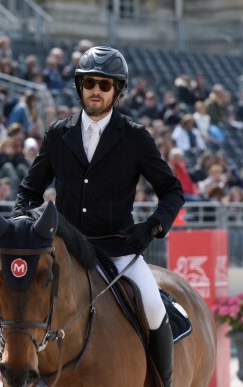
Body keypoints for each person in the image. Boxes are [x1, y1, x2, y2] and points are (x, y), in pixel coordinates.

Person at [13, 46, 183, 387]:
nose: (96, 90)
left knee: (152, 305)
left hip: (117, 249)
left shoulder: (135, 137)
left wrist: (150, 227)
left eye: (105, 85)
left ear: (116, 92)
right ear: (80, 86)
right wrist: (22, 224)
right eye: (90, 82)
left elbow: (172, 191)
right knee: (22, 302)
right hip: (67, 251)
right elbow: (28, 190)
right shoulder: (59, 134)